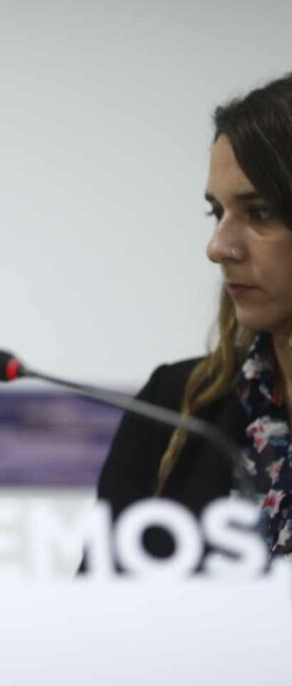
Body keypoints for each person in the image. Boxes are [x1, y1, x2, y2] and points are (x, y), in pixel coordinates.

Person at [98, 72, 292, 560]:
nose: (218, 247)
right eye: (216, 213)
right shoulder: (173, 408)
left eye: (260, 212)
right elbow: (100, 601)